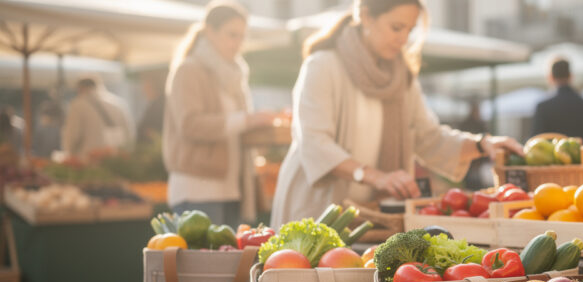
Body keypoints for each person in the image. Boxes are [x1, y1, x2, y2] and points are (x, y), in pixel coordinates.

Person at [270, 0, 522, 227]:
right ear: (366, 16)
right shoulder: (322, 65)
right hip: (315, 209)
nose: (403, 38)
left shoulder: (402, 77)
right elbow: (315, 142)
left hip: (371, 217)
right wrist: (376, 177)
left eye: (409, 30)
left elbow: (429, 137)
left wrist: (482, 144)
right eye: (396, 27)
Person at [163, 0, 275, 228]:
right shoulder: (189, 70)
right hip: (197, 190)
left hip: (233, 189)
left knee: (231, 263)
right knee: (203, 263)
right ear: (209, 32)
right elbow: (190, 124)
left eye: (242, 36)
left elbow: (239, 128)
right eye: (232, 35)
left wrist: (260, 127)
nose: (238, 43)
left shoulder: (235, 75)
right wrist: (247, 120)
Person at [62, 76, 135, 161]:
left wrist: (70, 153)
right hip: (116, 159)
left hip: (89, 159)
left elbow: (72, 135)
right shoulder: (119, 103)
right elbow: (130, 134)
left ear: (80, 88)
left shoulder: (78, 105)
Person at [531, 57, 583, 141]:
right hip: (582, 153)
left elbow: (536, 140)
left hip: (553, 154)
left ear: (550, 77)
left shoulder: (543, 107)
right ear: (571, 76)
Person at [136, 70, 167, 145]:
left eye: (145, 84)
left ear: (152, 84)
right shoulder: (161, 102)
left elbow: (150, 131)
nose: (143, 89)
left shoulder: (157, 106)